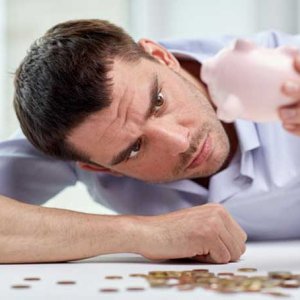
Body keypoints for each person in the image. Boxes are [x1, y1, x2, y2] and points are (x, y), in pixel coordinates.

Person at [1, 19, 300, 264]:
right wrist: (139, 233)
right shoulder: (70, 139)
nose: (181, 142)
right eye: (134, 148)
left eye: (158, 102)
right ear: (100, 168)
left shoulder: (284, 65)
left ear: (161, 56)